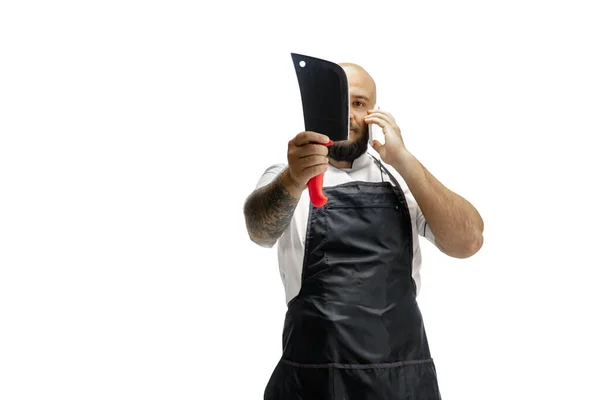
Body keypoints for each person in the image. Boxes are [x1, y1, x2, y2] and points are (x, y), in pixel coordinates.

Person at [243, 62, 484, 399]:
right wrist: (294, 178)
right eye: (336, 100)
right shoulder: (287, 178)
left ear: (373, 112)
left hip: (403, 383)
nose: (347, 114)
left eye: (357, 103)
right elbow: (259, 230)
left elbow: (468, 242)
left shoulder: (402, 180)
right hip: (313, 384)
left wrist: (406, 161)